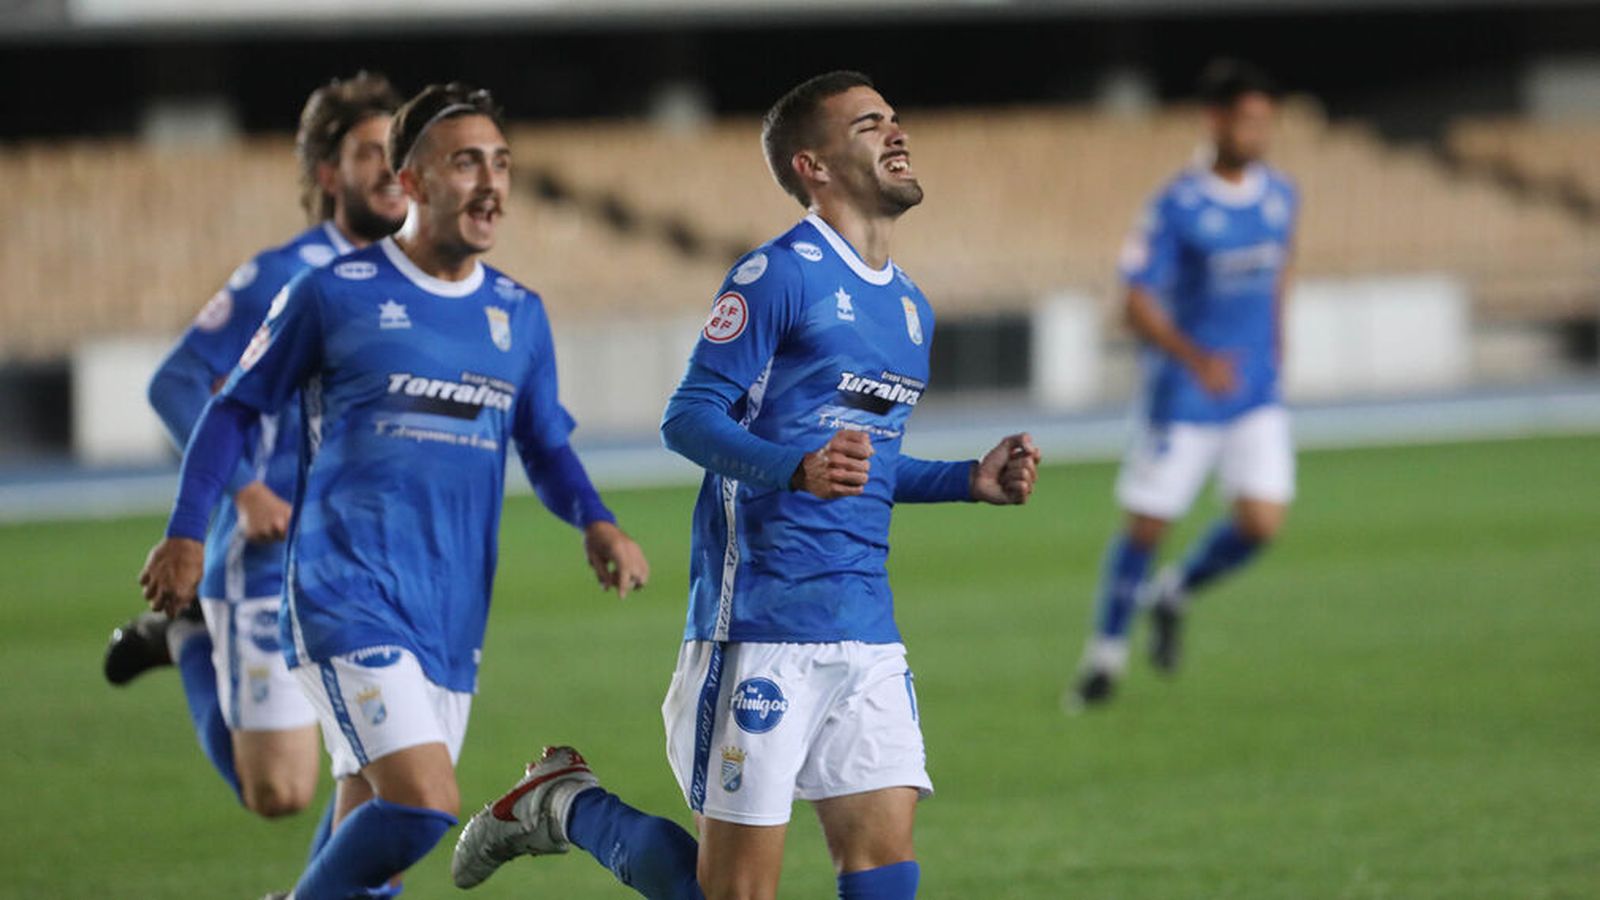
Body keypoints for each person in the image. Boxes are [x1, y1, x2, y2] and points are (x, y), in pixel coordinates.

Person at [453, 70, 1041, 900]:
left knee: (884, 874)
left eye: (896, 119)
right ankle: (565, 804)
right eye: (870, 125)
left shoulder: (911, 308)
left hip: (864, 629)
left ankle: (561, 802)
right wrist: (793, 468)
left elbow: (863, 468)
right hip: (758, 626)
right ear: (815, 166)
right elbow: (687, 419)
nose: (897, 134)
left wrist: (965, 481)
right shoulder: (778, 276)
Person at [137, 81, 649, 900]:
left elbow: (545, 443)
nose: (490, 183)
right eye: (464, 164)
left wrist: (597, 520)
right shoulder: (331, 291)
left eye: (501, 163)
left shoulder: (520, 314)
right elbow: (230, 409)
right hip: (344, 592)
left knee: (374, 858)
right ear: (409, 182)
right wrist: (190, 529)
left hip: (448, 612)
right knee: (422, 806)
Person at [105, 73, 406, 839]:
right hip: (274, 558)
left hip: (374, 563)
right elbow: (175, 383)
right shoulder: (282, 273)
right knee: (278, 791)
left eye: (397, 150)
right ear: (329, 175)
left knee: (391, 764)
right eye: (368, 152)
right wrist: (244, 492)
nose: (388, 167)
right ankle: (186, 636)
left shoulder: (427, 277)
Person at [1071, 59, 1299, 708]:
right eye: (1248, 119)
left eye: (1266, 120)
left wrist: (1279, 341)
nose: (1258, 132)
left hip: (1256, 392)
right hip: (1185, 396)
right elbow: (1133, 303)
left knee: (1261, 522)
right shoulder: (1177, 204)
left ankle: (1174, 592)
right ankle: (1105, 656)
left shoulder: (1282, 194)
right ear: (1216, 120)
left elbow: (1281, 271)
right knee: (1146, 526)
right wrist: (1195, 358)